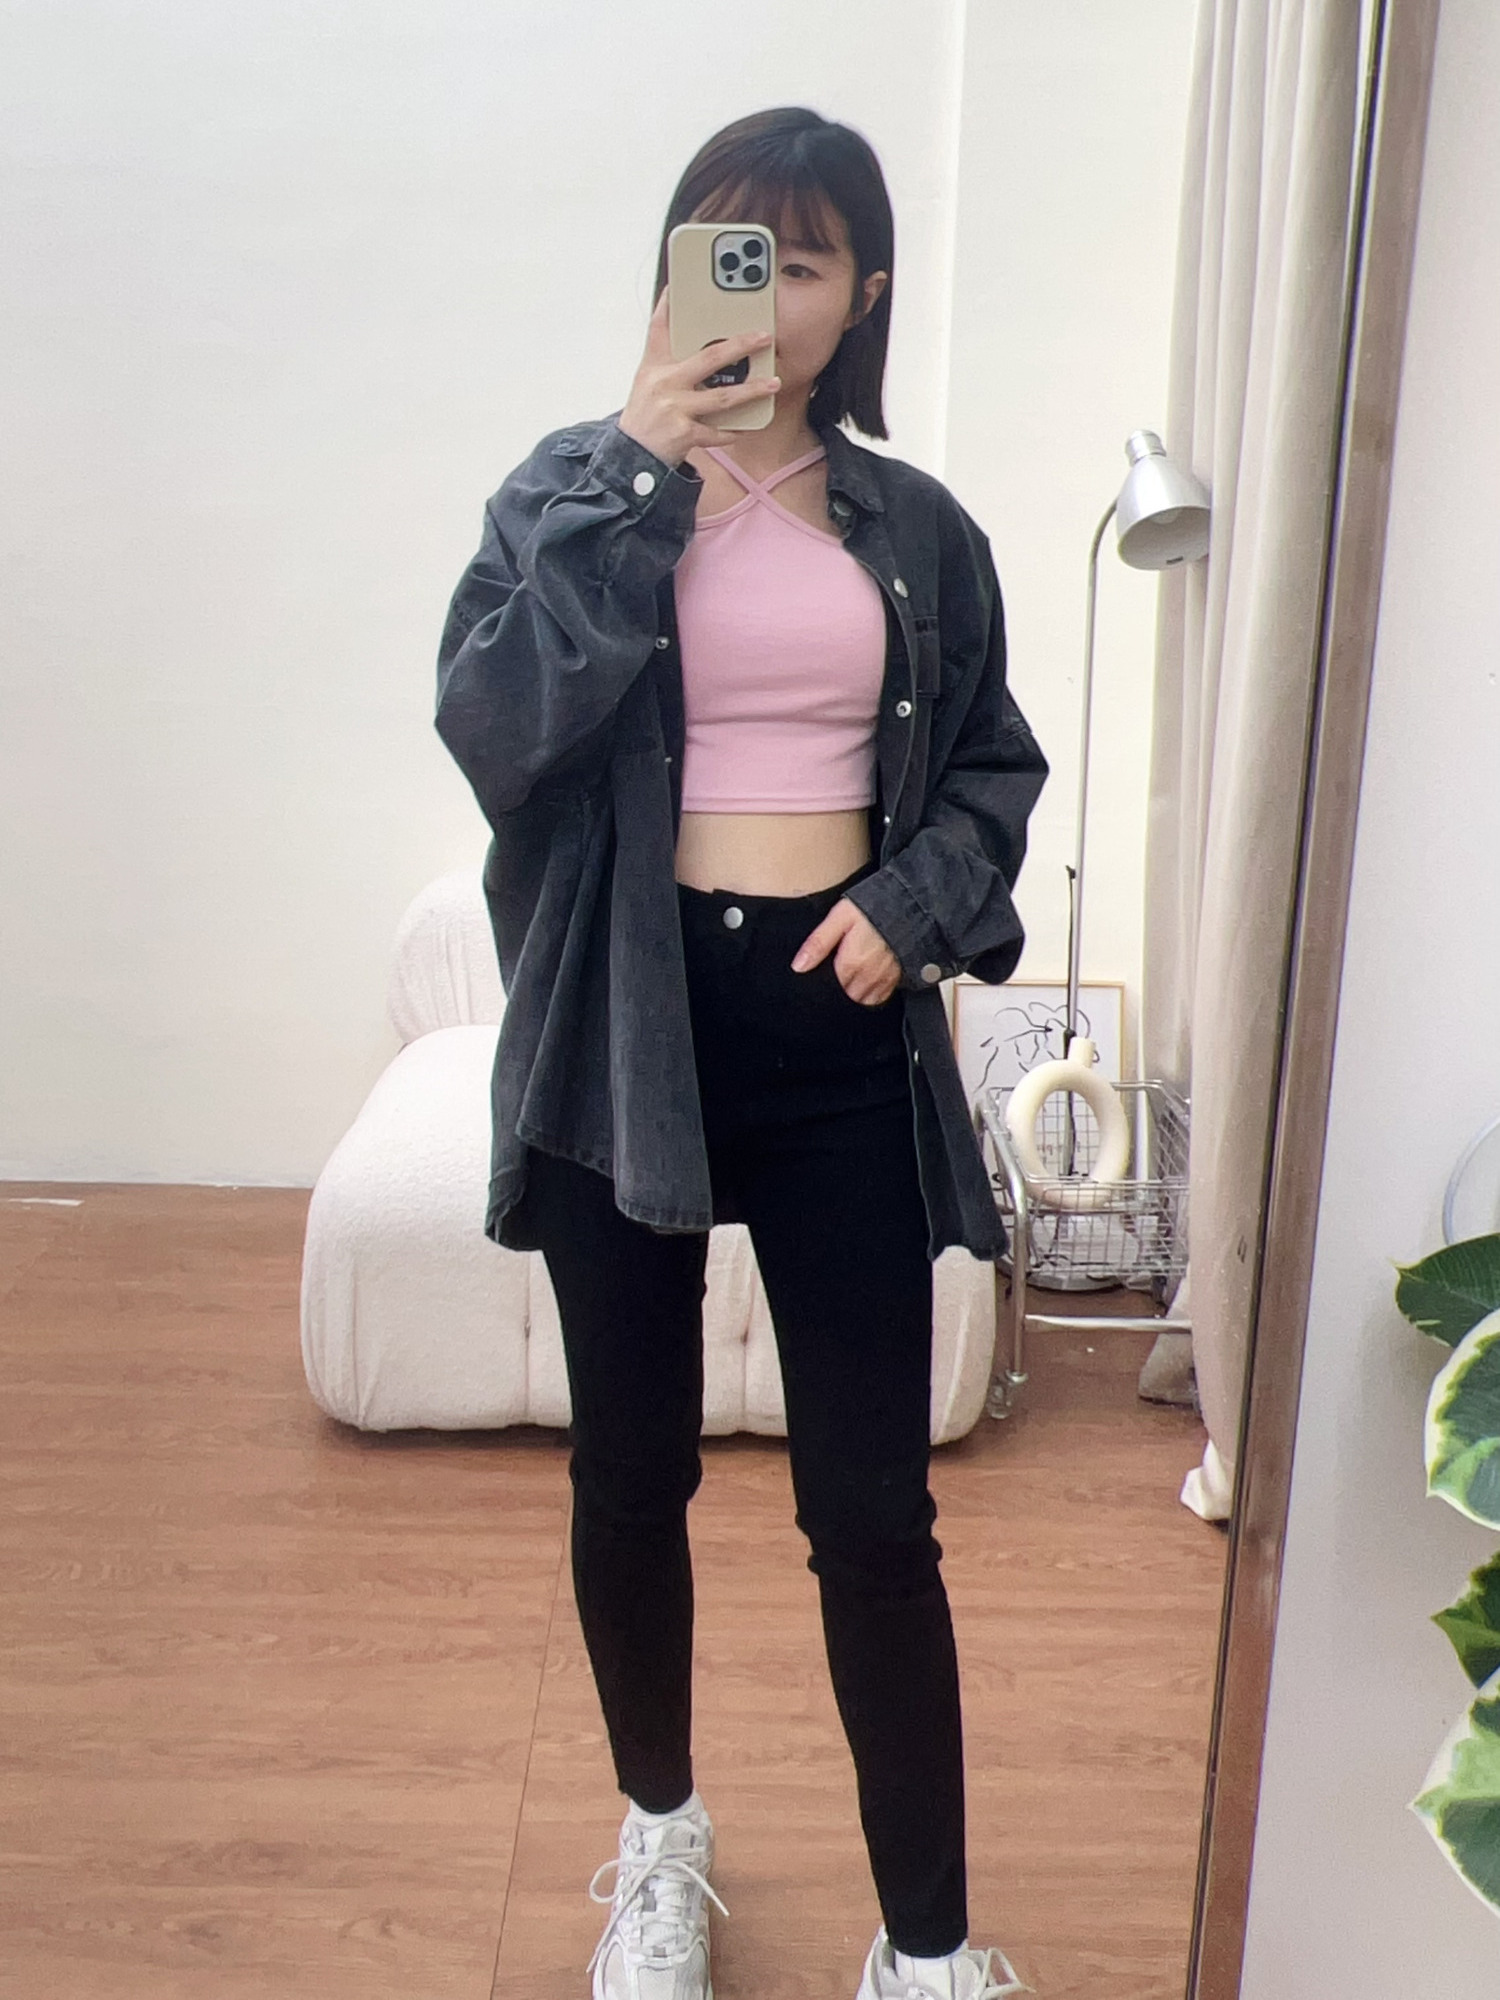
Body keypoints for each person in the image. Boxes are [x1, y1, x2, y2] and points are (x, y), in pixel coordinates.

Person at [435, 106, 1048, 2000]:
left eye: (806, 259)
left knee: (874, 1516)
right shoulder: (571, 489)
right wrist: (642, 474)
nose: (767, 292)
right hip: (628, 1025)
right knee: (630, 1474)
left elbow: (991, 770)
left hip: (839, 1031)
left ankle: (927, 1946)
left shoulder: (917, 528)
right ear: (673, 273)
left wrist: (914, 904)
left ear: (866, 294)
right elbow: (495, 731)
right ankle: (659, 1841)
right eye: (731, 251)